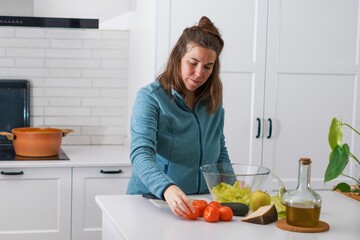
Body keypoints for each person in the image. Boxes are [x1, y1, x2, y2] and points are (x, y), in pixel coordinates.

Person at [127, 16, 231, 217]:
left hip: (199, 205)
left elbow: (219, 153)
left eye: (208, 66)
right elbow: (141, 154)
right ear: (178, 58)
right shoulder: (151, 98)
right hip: (153, 201)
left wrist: (234, 191)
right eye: (193, 63)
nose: (199, 73)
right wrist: (167, 188)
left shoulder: (213, 101)